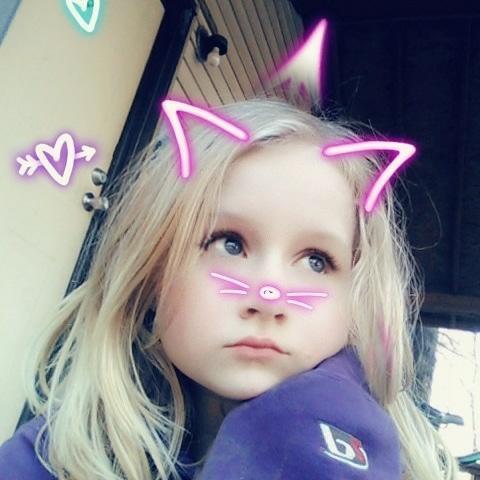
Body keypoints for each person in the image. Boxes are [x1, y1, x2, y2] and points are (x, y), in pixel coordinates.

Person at [0, 97, 459, 480]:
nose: (269, 297)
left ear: (355, 304)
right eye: (229, 243)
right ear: (152, 269)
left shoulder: (402, 464)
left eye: (316, 260)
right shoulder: (51, 457)